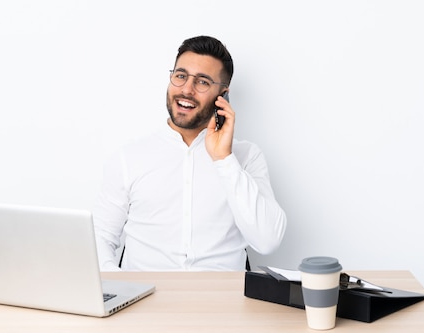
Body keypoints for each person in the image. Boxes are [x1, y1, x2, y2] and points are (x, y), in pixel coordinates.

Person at [93, 35, 286, 271]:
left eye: (203, 82)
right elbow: (100, 238)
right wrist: (120, 288)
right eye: (181, 76)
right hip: (144, 300)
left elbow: (267, 241)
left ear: (223, 95)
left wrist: (224, 159)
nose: (186, 89)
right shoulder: (129, 157)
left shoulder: (246, 156)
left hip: (223, 302)